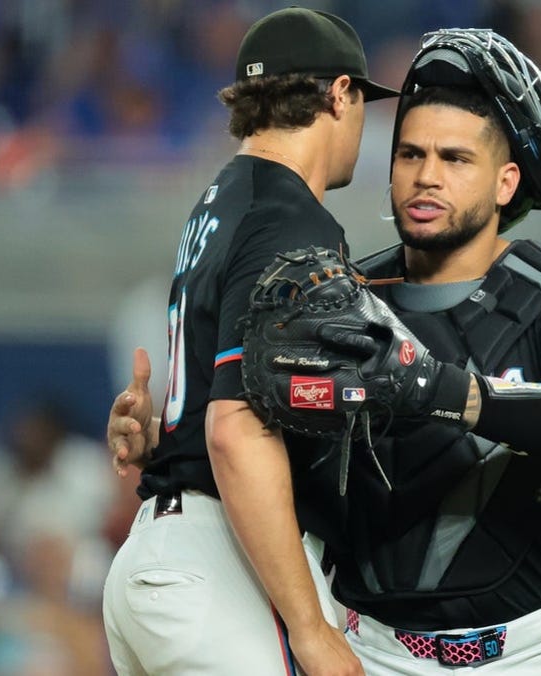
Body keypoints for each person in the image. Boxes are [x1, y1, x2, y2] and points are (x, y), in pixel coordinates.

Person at [112, 28, 541, 673]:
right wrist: (171, 444)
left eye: (455, 159)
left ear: (508, 182)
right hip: (377, 652)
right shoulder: (332, 296)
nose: (426, 177)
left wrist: (444, 391)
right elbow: (254, 439)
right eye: (410, 155)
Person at [101, 7, 397, 676]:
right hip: (218, 564)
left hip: (158, 558)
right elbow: (235, 430)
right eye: (362, 103)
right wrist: (311, 629)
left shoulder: (221, 196)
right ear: (340, 93)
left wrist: (159, 436)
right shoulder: (286, 218)